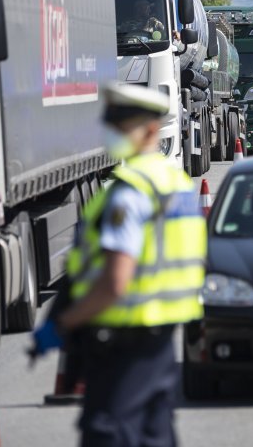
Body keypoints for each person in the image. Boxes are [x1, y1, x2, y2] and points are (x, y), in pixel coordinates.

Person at [32, 83, 206, 446]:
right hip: (160, 338)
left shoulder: (130, 192)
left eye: (123, 126)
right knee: (154, 434)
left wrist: (62, 325)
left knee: (108, 433)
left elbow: (115, 283)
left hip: (122, 342)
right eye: (112, 125)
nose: (114, 134)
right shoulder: (175, 183)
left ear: (151, 130)